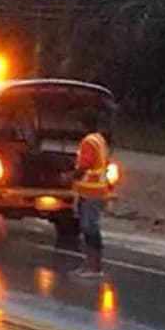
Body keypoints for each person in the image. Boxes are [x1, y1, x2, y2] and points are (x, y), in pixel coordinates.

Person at [72, 115, 110, 278]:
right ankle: (92, 266)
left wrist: (71, 176)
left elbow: (85, 164)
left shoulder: (88, 141)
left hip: (91, 193)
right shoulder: (100, 139)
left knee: (90, 229)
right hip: (97, 191)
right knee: (91, 228)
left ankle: (93, 267)